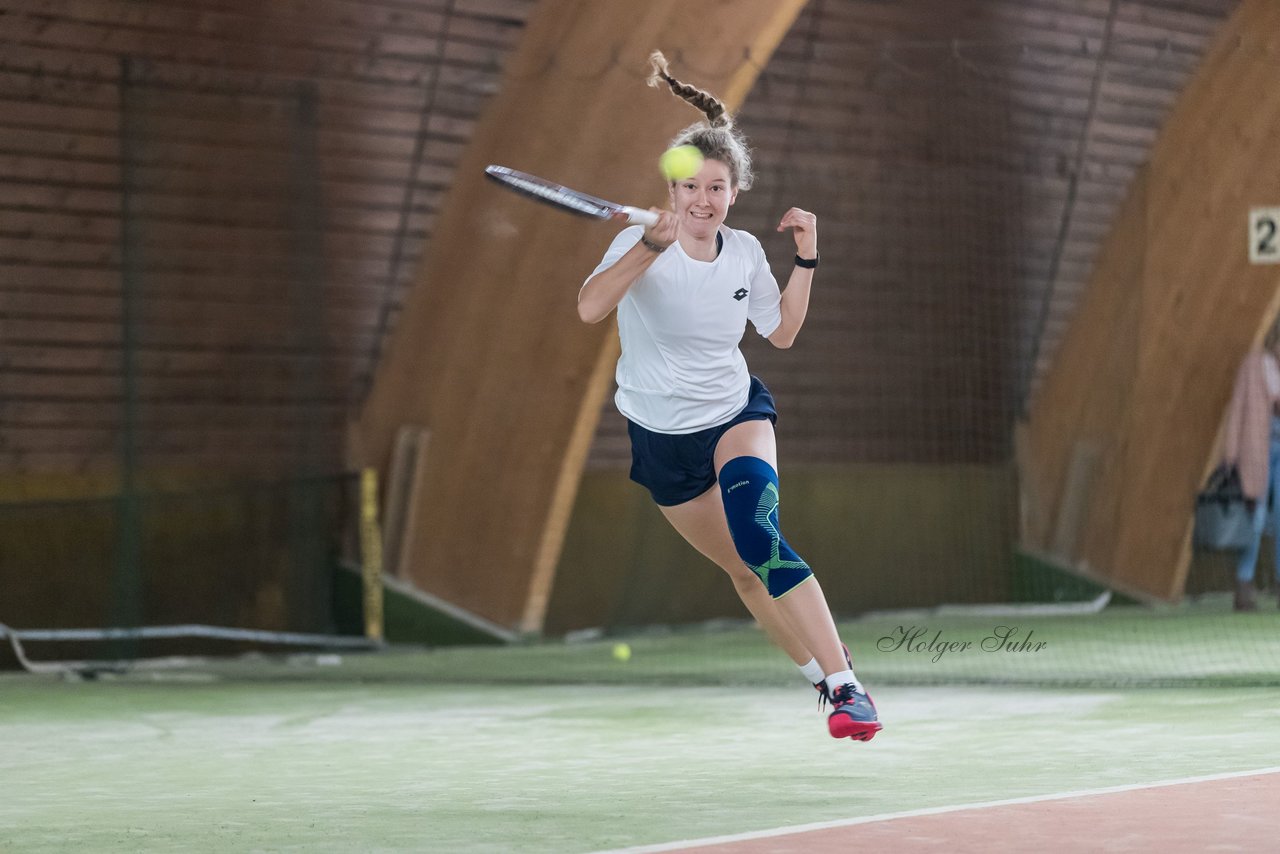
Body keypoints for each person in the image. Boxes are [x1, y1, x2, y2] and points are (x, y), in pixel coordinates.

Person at [576, 51, 881, 742]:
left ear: (733, 193)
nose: (703, 200)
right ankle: (821, 680)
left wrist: (806, 256)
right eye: (692, 188)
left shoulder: (743, 251)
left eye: (717, 188)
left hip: (734, 417)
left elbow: (781, 331)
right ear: (674, 193)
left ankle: (849, 688)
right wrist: (646, 250)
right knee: (745, 577)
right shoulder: (639, 240)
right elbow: (592, 308)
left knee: (759, 536)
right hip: (659, 440)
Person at [1222, 324, 1280, 611]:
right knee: (1254, 522)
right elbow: (1237, 408)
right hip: (1258, 451)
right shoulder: (1254, 364)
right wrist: (1230, 455)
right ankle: (1243, 587)